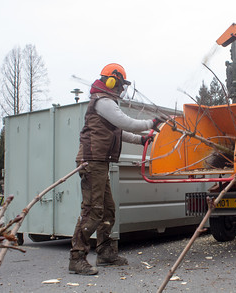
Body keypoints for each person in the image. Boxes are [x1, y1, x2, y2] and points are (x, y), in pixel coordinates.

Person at [69, 63, 164, 275]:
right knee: (93, 210)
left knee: (108, 209)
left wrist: (142, 140)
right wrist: (151, 122)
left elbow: (119, 132)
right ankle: (77, 257)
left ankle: (105, 253)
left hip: (99, 162)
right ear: (112, 81)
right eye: (121, 85)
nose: (122, 89)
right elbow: (126, 122)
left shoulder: (107, 103)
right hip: (92, 161)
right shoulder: (103, 102)